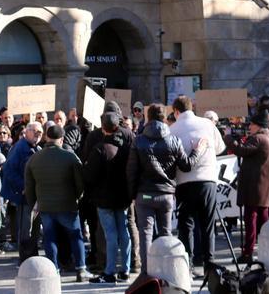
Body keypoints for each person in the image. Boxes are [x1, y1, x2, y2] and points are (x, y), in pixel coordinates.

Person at [127, 104, 202, 274]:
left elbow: (131, 171)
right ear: (164, 117)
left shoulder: (139, 140)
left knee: (145, 233)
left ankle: (147, 273)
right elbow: (186, 165)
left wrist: (132, 195)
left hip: (144, 195)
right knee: (165, 233)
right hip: (166, 195)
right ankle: (167, 270)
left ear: (148, 116)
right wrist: (197, 151)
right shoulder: (173, 140)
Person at [25, 123, 92, 282]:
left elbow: (29, 186)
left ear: (47, 137)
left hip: (46, 206)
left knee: (50, 237)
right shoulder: (70, 157)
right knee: (76, 237)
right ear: (61, 139)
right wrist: (77, 197)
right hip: (67, 204)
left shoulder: (34, 158)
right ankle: (81, 270)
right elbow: (80, 183)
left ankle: (53, 270)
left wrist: (34, 203)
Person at [168, 96, 226, 268]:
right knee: (208, 225)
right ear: (191, 107)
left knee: (186, 225)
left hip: (184, 182)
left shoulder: (172, 129)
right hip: (207, 180)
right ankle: (210, 262)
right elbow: (220, 148)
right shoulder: (207, 124)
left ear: (176, 111)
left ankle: (188, 264)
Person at [83, 112, 131, 283]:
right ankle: (125, 269)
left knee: (111, 235)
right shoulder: (126, 147)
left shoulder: (100, 149)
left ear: (103, 128)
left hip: (104, 199)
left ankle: (110, 271)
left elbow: (89, 176)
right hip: (122, 197)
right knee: (123, 232)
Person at [226, 111, 269, 261]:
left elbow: (241, 150)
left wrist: (228, 137)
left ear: (258, 125)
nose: (249, 128)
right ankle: (268, 248)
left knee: (251, 219)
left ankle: (248, 252)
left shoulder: (259, 138)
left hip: (255, 186)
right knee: (262, 218)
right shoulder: (268, 137)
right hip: (261, 185)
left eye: (251, 125)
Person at [1, 121, 42, 263]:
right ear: (27, 132)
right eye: (35, 132)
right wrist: (22, 187)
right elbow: (8, 170)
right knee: (26, 227)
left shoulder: (37, 148)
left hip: (33, 195)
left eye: (40, 133)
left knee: (34, 226)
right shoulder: (20, 148)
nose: (38, 135)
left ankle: (32, 253)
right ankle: (25, 257)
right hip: (24, 195)